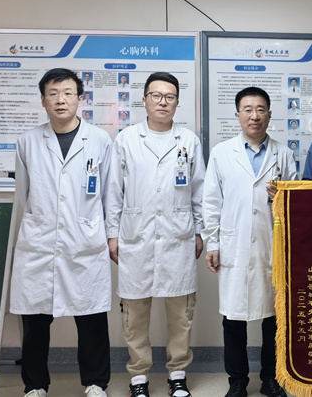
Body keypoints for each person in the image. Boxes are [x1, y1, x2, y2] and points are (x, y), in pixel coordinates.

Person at [10, 68, 112, 397]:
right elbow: (25, 195)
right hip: (39, 242)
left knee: (92, 317)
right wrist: (44, 221)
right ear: (43, 100)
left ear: (80, 99)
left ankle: (95, 382)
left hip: (85, 242)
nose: (60, 100)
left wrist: (109, 234)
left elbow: (109, 194)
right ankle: (35, 385)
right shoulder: (28, 142)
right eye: (53, 94)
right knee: (35, 321)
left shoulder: (100, 140)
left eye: (67, 93)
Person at [105, 72, 205, 397]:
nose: (163, 102)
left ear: (177, 102)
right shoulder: (126, 139)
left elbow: (199, 191)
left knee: (181, 315)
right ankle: (139, 377)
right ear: (145, 100)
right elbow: (113, 192)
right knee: (134, 315)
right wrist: (112, 234)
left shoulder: (188, 140)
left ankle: (178, 374)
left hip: (179, 237)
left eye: (170, 97)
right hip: (135, 237)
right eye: (156, 95)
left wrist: (200, 231)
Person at [203, 87, 298, 397]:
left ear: (269, 115)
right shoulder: (221, 152)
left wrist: (280, 198)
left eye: (260, 110)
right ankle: (237, 382)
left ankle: (271, 379)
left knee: (274, 320)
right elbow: (211, 202)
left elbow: (297, 206)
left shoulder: (284, 154)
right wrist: (212, 243)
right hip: (235, 246)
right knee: (234, 321)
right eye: (248, 110)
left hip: (272, 248)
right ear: (238, 115)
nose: (254, 116)